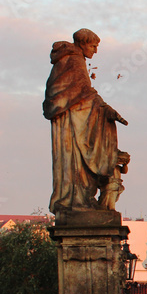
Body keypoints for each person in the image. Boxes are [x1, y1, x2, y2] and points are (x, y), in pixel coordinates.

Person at [43, 28, 128, 214]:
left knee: (75, 164)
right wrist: (106, 109)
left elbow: (82, 92)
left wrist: (104, 108)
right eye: (93, 46)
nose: (95, 50)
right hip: (71, 122)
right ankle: (76, 201)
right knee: (74, 163)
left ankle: (78, 199)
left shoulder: (70, 59)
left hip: (72, 117)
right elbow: (82, 92)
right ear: (82, 43)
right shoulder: (74, 60)